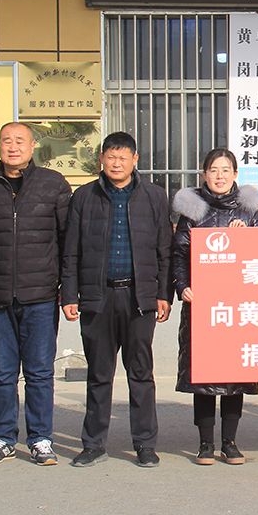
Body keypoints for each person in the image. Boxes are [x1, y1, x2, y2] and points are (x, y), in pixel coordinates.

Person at [61, 131, 172, 468]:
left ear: (135, 160)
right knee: (99, 374)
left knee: (141, 374)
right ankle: (93, 444)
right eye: (111, 157)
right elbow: (71, 251)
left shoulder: (154, 196)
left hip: (139, 298)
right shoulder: (84, 196)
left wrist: (163, 294)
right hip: (98, 297)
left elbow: (164, 250)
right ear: (101, 159)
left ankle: (145, 444)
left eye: (123, 157)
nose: (116, 163)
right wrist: (70, 294)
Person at [0, 122, 71, 467]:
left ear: (32, 146)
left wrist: (66, 285)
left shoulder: (53, 184)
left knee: (40, 371)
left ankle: (41, 439)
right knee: (2, 372)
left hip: (41, 294)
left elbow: (67, 240)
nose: (12, 147)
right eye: (6, 141)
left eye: (19, 141)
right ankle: (2, 437)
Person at [171, 148, 258, 466]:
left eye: (225, 170)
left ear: (235, 175)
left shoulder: (250, 213)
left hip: (239, 307)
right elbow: (179, 255)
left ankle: (230, 443)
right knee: (204, 376)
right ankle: (205, 444)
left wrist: (246, 238)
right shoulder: (192, 213)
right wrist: (182, 286)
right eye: (213, 170)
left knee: (235, 375)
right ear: (204, 175)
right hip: (202, 305)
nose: (219, 176)